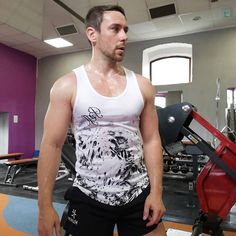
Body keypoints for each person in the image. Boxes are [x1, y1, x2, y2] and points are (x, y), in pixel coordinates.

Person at [37, 4, 166, 236]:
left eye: (126, 29)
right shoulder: (67, 85)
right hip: (89, 196)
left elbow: (151, 140)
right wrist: (44, 207)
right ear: (92, 34)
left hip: (138, 193)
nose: (124, 36)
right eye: (115, 29)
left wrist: (156, 192)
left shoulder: (142, 85)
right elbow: (52, 145)